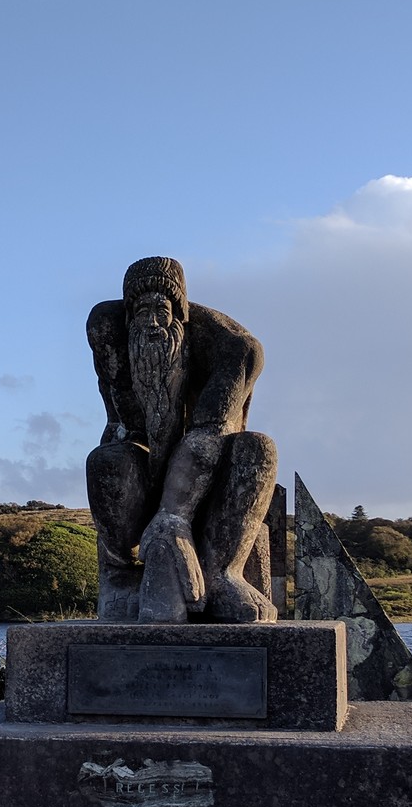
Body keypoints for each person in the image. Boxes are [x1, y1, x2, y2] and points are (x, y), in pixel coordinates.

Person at [84, 256, 278, 623]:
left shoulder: (236, 349)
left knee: (257, 450)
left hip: (214, 473)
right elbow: (122, 422)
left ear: (181, 315)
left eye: (162, 311)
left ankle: (223, 576)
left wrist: (173, 516)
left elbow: (210, 435)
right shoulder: (108, 331)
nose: (152, 324)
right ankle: (120, 577)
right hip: (146, 461)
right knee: (106, 462)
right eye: (141, 313)